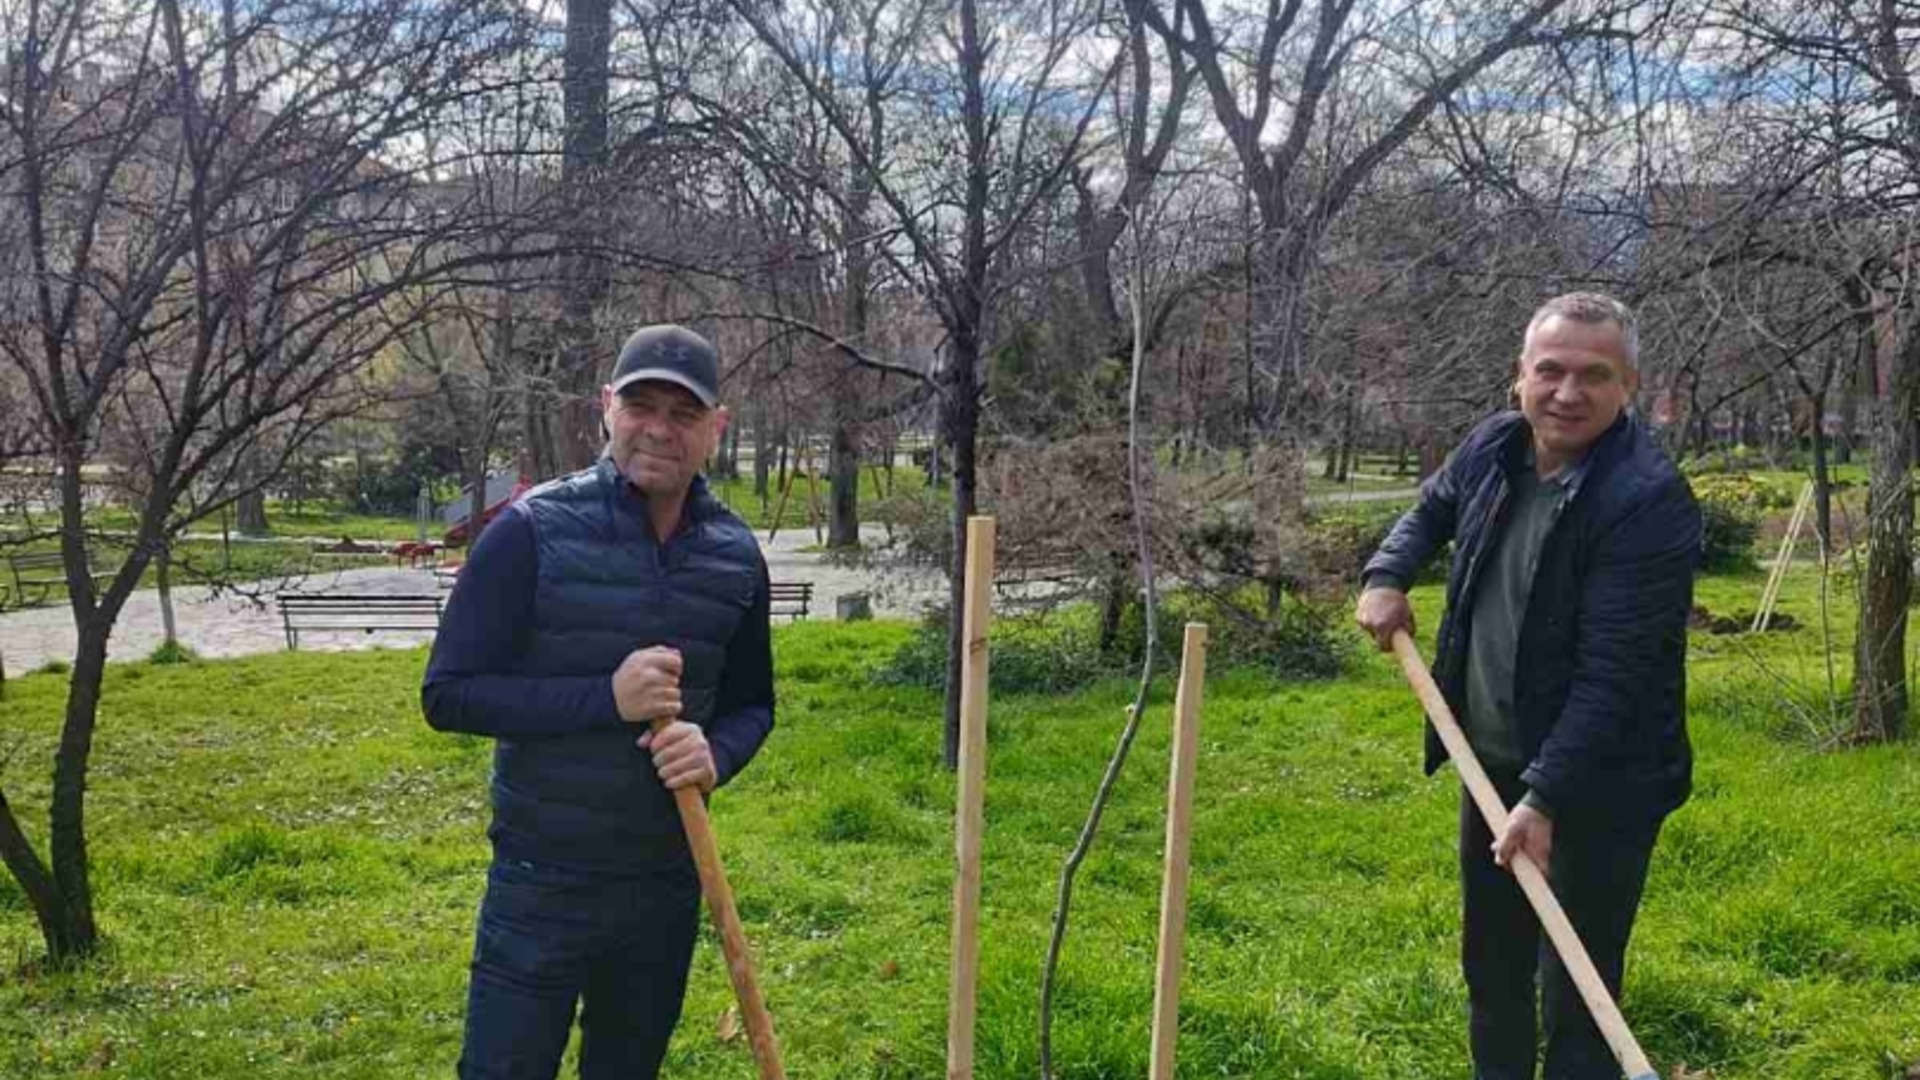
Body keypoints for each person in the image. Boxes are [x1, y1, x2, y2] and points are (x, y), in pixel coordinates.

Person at [1354, 293, 1699, 1080]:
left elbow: (1617, 675)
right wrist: (1387, 573)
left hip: (1603, 781)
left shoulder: (1646, 499)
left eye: (1593, 375)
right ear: (1520, 377)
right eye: (1551, 371)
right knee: (1495, 971)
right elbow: (1430, 509)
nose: (1567, 393)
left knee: (1579, 993)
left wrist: (1544, 800)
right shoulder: (1495, 447)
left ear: (1629, 387)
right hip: (1494, 767)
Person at [422, 324, 774, 1080]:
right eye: (641, 404)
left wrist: (718, 753)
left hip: (664, 885)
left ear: (716, 428)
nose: (659, 429)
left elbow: (754, 704)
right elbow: (448, 695)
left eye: (684, 414)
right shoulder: (530, 531)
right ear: (605, 408)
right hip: (540, 881)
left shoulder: (735, 555)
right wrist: (604, 699)